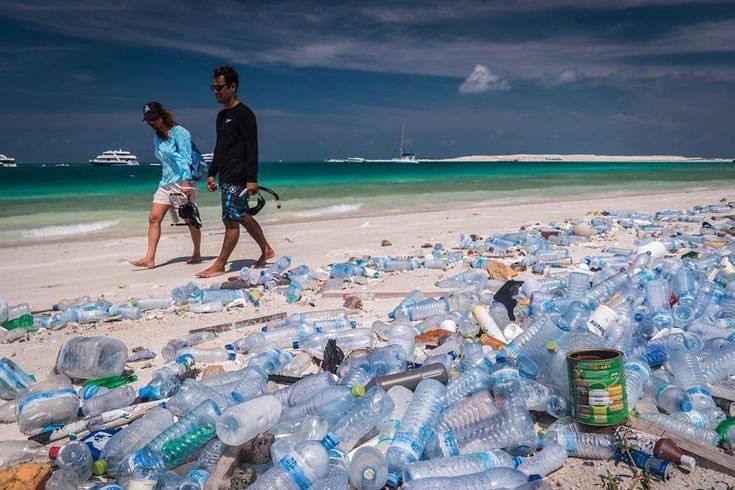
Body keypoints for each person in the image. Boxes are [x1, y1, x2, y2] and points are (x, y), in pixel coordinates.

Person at [196, 66, 274, 278]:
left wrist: (251, 179)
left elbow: (252, 147)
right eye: (213, 88)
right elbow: (220, 147)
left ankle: (220, 264)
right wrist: (212, 173)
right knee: (241, 215)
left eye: (220, 87)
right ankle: (266, 249)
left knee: (230, 220)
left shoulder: (244, 114)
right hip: (226, 175)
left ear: (233, 87)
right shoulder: (221, 116)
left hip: (239, 176)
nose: (216, 92)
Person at [131, 101, 201, 269]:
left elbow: (186, 158)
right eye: (148, 120)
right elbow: (165, 162)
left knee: (189, 219)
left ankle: (197, 253)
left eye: (154, 118)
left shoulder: (180, 132)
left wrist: (185, 182)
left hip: (183, 181)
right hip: (166, 182)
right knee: (154, 217)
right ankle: (150, 257)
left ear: (162, 116)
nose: (151, 122)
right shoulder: (156, 137)